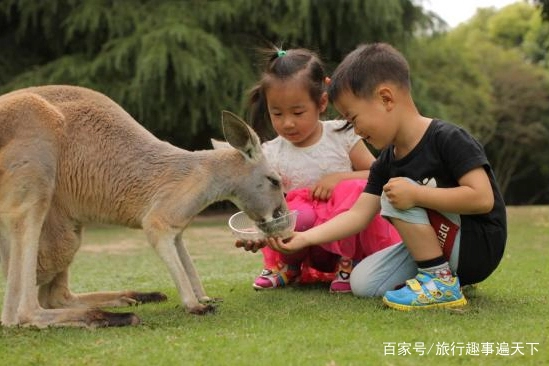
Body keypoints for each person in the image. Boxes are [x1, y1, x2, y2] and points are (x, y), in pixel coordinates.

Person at [266, 42, 507, 310]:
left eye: (354, 119)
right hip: (441, 247)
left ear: (386, 98)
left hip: (477, 244)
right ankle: (446, 276)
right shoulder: (386, 162)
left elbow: (482, 198)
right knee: (364, 283)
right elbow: (357, 216)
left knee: (397, 191)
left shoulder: (448, 138)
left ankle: (439, 281)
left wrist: (416, 194)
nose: (356, 131)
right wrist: (305, 238)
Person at [240, 47, 403, 293]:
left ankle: (349, 263)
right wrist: (256, 232)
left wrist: (339, 179)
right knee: (296, 214)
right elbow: (264, 201)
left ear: (322, 103)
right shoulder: (271, 152)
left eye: (298, 112)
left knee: (356, 189)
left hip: (343, 234)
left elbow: (378, 174)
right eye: (277, 113)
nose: (288, 123)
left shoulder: (342, 134)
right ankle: (288, 267)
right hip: (300, 241)